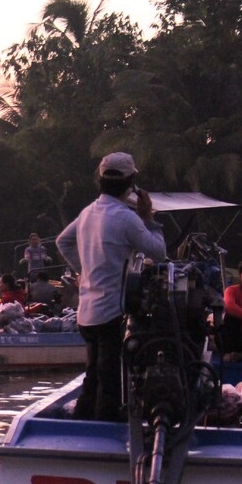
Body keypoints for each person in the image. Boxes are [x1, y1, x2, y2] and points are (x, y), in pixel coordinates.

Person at [56, 151, 166, 421]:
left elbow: (62, 242)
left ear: (101, 181)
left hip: (86, 313)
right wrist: (148, 217)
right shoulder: (126, 217)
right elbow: (160, 252)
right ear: (131, 183)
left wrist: (85, 268)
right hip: (111, 313)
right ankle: (105, 432)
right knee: (110, 382)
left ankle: (83, 424)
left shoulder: (87, 213)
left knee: (93, 375)